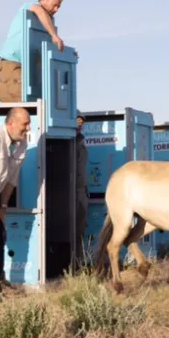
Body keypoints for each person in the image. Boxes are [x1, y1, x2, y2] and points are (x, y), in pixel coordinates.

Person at [0, 0, 65, 103]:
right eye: (54, 5)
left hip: (29, 66)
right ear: (45, 0)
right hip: (10, 60)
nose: (56, 9)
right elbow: (39, 10)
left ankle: (2, 88)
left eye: (58, 7)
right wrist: (54, 35)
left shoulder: (47, 22)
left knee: (33, 96)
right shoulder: (30, 6)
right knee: (20, 95)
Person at [0, 107, 30, 299]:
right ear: (10, 123)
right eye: (25, 124)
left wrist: (3, 207)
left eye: (28, 124)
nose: (28, 128)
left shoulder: (21, 144)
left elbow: (12, 179)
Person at [75, 111, 89, 267]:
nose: (79, 124)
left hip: (81, 192)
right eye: (77, 121)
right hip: (70, 192)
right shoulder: (67, 141)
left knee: (80, 230)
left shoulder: (81, 141)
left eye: (81, 122)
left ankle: (79, 264)